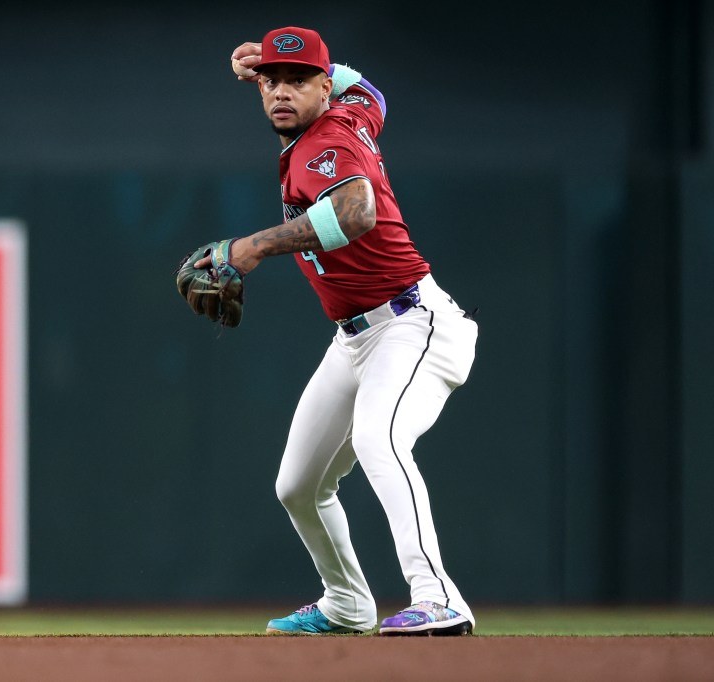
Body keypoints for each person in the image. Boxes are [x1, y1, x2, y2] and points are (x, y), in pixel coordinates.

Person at [202, 26, 478, 636]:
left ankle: (438, 597)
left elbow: (356, 213)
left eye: (298, 81)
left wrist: (250, 247)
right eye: (271, 81)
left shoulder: (328, 143)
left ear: (323, 88)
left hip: (413, 326)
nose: (281, 92)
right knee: (298, 484)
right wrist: (293, 67)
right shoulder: (352, 111)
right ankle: (347, 603)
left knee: (379, 438)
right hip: (354, 339)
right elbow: (370, 89)